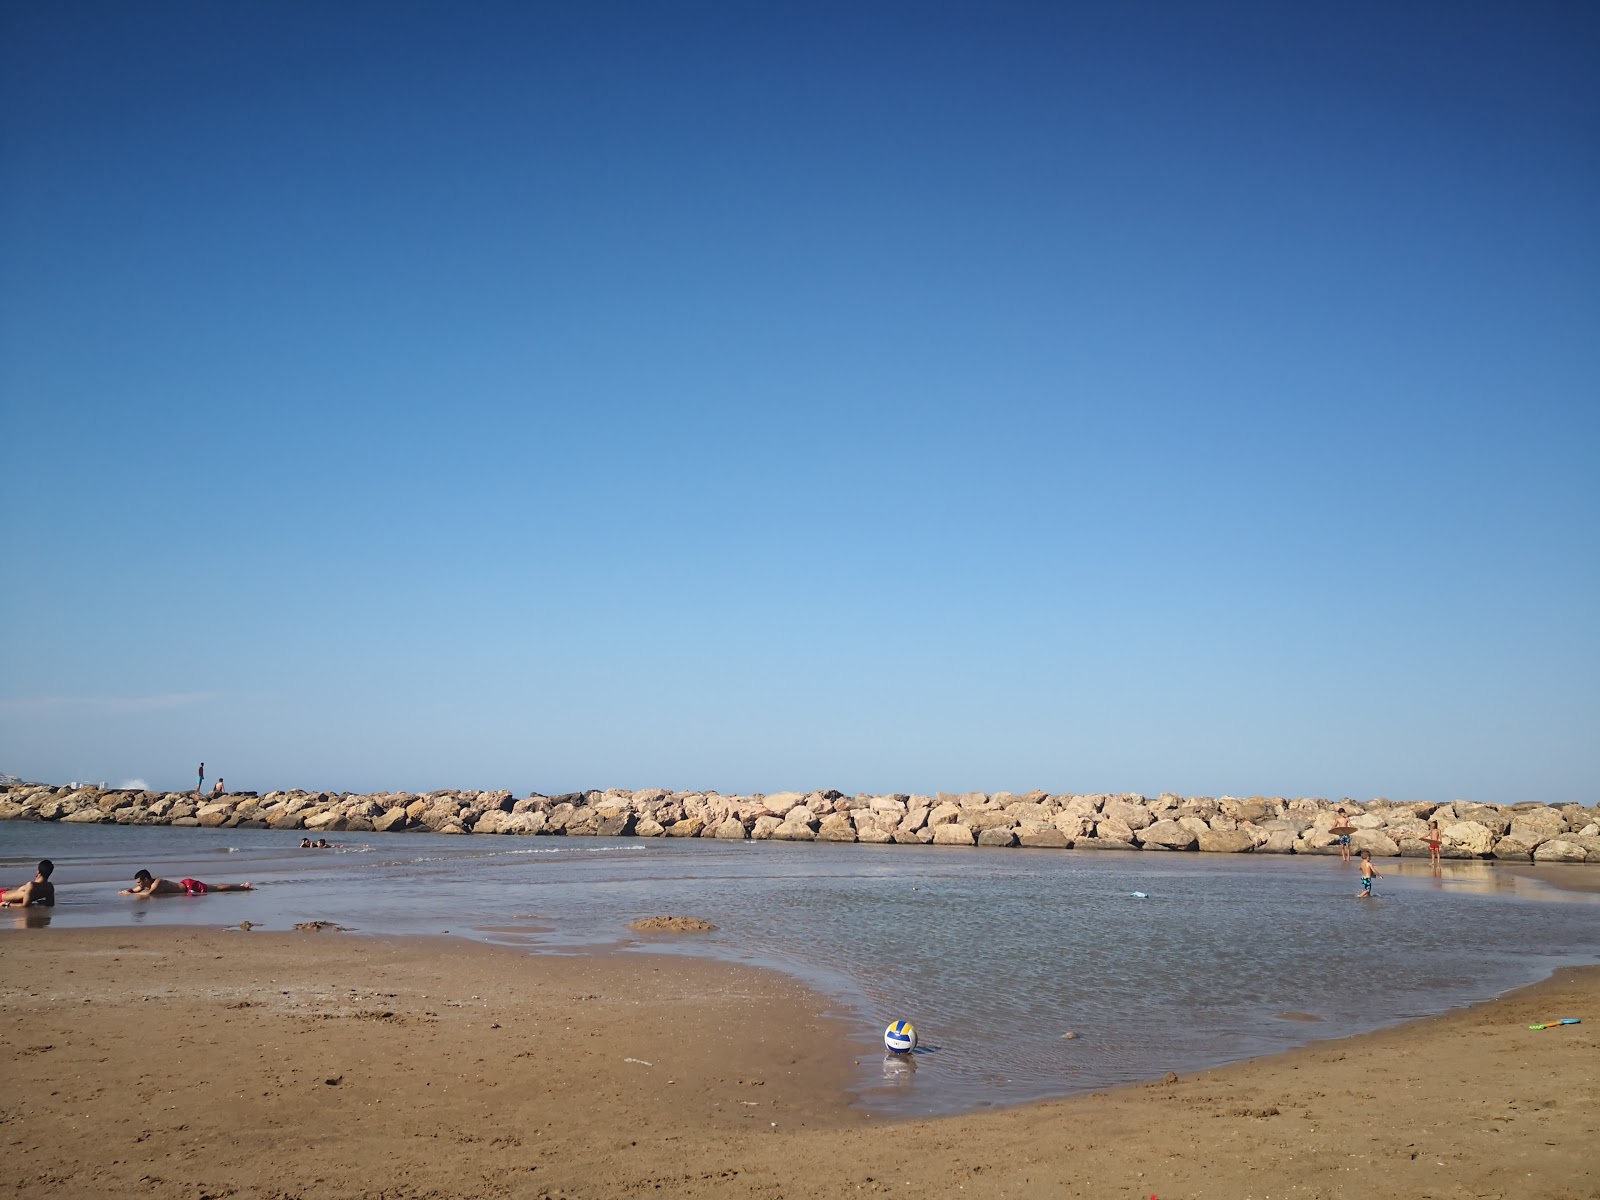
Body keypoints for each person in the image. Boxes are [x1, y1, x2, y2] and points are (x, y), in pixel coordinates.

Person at [121, 869, 253, 897]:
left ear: (146, 880)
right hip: (185, 888)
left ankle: (243, 888)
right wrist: (127, 891)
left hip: (189, 887)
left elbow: (149, 894)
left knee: (218, 888)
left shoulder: (157, 883)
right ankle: (242, 887)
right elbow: (136, 890)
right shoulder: (146, 884)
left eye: (139, 882)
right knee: (217, 888)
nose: (138, 885)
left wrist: (132, 894)